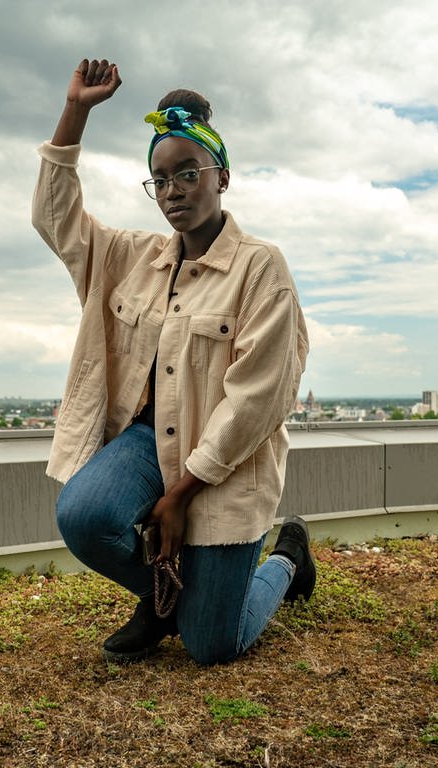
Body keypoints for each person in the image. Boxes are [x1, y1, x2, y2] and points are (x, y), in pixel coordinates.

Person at [32, 58, 314, 666]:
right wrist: (76, 111)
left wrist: (180, 494)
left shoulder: (261, 268)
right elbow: (56, 220)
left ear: (222, 176)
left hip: (222, 461)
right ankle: (166, 597)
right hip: (144, 442)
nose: (172, 190)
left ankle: (288, 558)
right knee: (84, 515)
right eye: (159, 179)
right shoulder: (131, 256)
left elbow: (257, 398)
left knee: (214, 644)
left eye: (188, 172)